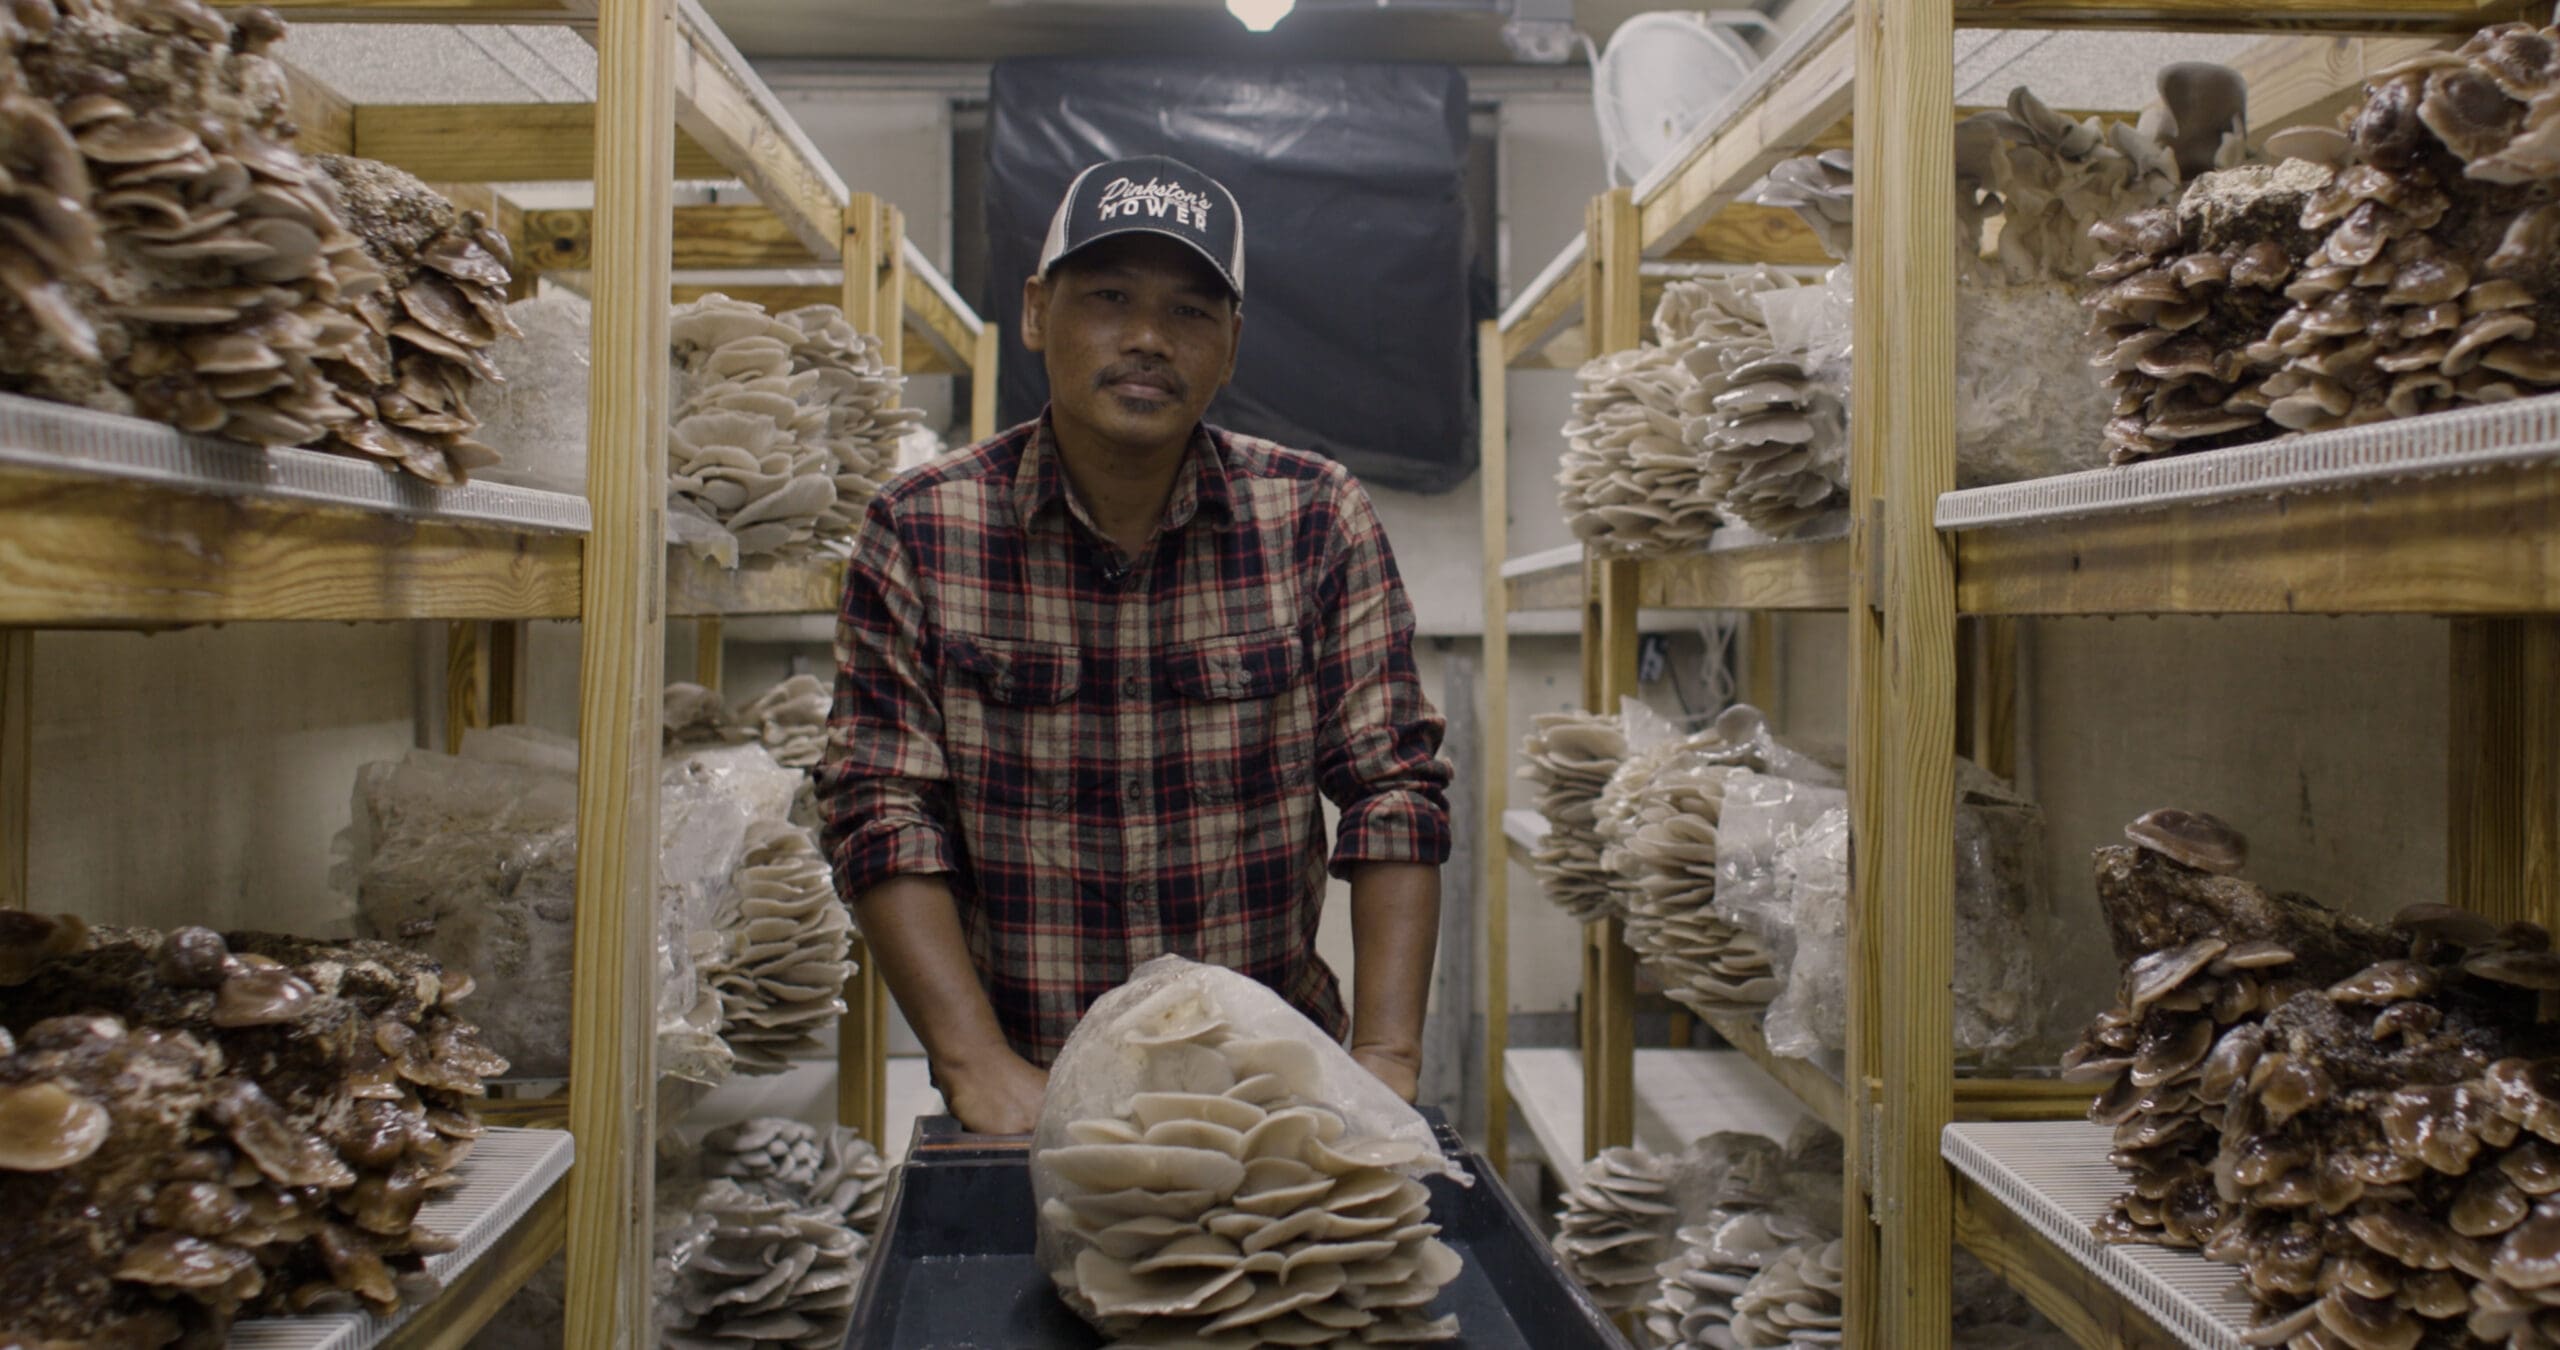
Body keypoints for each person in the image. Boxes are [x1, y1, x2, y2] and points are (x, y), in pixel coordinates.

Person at [818, 154, 1454, 1135]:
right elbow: (881, 805)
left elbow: (1393, 789)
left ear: (1232, 345)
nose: (1150, 339)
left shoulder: (1315, 516)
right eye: (1110, 297)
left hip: (1274, 1087)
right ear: (1037, 312)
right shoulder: (922, 528)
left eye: (1193, 312)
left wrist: (1385, 1057)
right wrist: (973, 1061)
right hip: (1031, 1093)